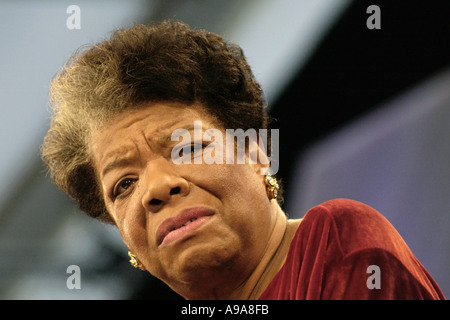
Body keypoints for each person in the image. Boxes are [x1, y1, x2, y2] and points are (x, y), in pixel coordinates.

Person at [41, 21, 444, 300]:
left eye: (188, 147)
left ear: (255, 154)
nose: (158, 187)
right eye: (123, 184)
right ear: (128, 241)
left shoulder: (334, 242)